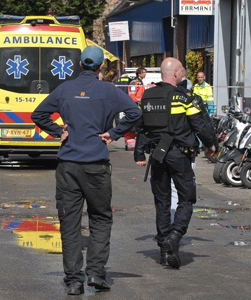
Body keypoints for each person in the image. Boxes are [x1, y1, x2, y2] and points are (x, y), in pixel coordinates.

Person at [31, 46, 142, 295]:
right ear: (101, 67)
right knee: (100, 218)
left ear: (80, 65)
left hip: (68, 165)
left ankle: (73, 280)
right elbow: (135, 112)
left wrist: (60, 131)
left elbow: (38, 114)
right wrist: (113, 134)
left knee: (69, 222)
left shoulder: (65, 89)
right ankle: (96, 274)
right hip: (96, 166)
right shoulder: (108, 91)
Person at [134, 58, 216, 269]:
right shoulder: (183, 97)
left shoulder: (148, 96)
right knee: (186, 199)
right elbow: (198, 124)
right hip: (179, 155)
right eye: (183, 72)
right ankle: (175, 236)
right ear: (177, 73)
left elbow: (142, 127)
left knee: (161, 203)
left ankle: (164, 250)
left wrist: (139, 153)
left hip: (157, 157)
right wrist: (211, 145)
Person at [125, 67, 147, 150]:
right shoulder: (134, 82)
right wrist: (139, 101)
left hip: (140, 107)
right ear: (139, 73)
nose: (145, 74)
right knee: (132, 125)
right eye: (144, 72)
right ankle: (130, 143)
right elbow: (132, 95)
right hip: (135, 107)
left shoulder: (140, 82)